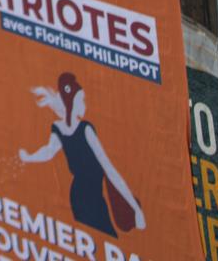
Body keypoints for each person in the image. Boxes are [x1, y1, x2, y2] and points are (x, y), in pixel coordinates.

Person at [19, 73, 145, 236]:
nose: (84, 104)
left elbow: (48, 152)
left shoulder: (65, 128)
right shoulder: (83, 129)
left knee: (96, 238)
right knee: (101, 237)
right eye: (82, 99)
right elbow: (109, 168)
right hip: (88, 198)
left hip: (82, 195)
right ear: (72, 102)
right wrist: (136, 210)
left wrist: (28, 157)